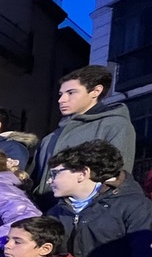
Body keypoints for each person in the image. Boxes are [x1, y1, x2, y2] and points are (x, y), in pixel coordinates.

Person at [45, 140, 152, 257]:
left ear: (82, 173)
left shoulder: (133, 205)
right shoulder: (54, 212)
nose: (49, 181)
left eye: (55, 174)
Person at [35, 65, 137, 195]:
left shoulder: (115, 125)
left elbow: (117, 178)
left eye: (71, 93)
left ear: (96, 91)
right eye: (60, 94)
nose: (61, 100)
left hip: (89, 212)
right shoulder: (50, 138)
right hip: (45, 212)